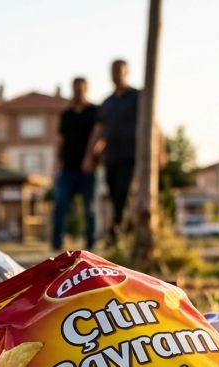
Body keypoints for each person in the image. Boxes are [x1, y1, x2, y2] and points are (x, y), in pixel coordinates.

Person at [83, 59, 139, 245]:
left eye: (120, 71)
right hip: (112, 157)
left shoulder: (137, 97)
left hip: (132, 156)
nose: (116, 74)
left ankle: (116, 233)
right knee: (115, 195)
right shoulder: (107, 103)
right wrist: (91, 156)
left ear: (127, 72)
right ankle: (120, 230)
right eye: (113, 71)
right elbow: (98, 132)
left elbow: (153, 124)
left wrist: (159, 151)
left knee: (124, 193)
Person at [52, 77, 100, 251]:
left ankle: (91, 244)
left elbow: (100, 137)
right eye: (76, 89)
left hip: (88, 171)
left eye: (82, 89)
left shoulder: (94, 111)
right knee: (60, 204)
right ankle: (57, 244)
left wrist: (91, 158)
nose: (78, 92)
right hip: (67, 169)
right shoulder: (67, 114)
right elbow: (60, 140)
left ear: (86, 90)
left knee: (90, 209)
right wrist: (56, 164)